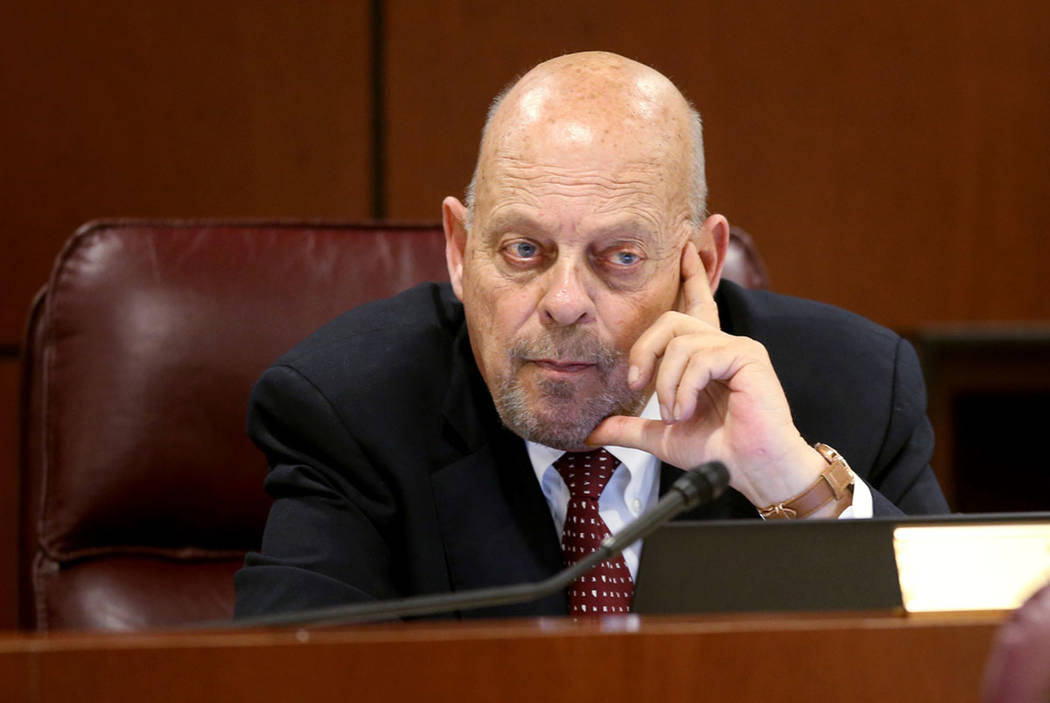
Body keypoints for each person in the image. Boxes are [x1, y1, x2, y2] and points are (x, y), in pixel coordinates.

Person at [234, 51, 948, 619]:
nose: (565, 302)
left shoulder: (854, 385)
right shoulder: (353, 411)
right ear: (458, 249)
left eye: (620, 257)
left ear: (696, 261)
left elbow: (976, 664)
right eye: (523, 250)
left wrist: (794, 487)